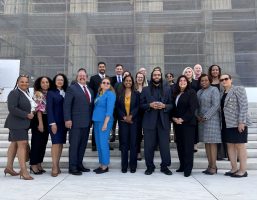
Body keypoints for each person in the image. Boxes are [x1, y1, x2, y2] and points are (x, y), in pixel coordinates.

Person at [140, 69, 173, 175]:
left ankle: (165, 166)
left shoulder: (168, 89)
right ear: (151, 76)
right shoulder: (145, 89)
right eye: (155, 75)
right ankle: (149, 167)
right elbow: (141, 105)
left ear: (161, 76)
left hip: (163, 122)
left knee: (164, 146)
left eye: (159, 75)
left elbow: (172, 105)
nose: (157, 76)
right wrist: (149, 105)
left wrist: (164, 106)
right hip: (149, 122)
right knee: (148, 146)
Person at [4, 75, 35, 180]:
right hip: (16, 123)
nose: (24, 84)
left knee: (14, 144)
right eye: (22, 82)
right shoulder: (14, 93)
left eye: (26, 82)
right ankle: (24, 170)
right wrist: (26, 114)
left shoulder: (26, 93)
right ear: (17, 82)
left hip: (22, 123)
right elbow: (12, 108)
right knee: (22, 144)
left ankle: (9, 167)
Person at [64, 68, 94, 175]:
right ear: (77, 77)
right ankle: (72, 167)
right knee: (74, 145)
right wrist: (67, 119)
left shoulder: (90, 90)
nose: (82, 77)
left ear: (87, 77)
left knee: (82, 145)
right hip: (75, 123)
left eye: (84, 75)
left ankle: (79, 164)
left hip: (86, 123)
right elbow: (67, 105)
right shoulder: (72, 88)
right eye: (80, 75)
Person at [220, 74, 251, 178]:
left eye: (226, 79)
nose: (224, 81)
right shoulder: (222, 93)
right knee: (230, 145)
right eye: (222, 80)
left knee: (240, 146)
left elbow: (244, 105)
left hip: (237, 123)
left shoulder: (238, 89)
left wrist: (241, 121)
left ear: (230, 80)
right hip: (226, 123)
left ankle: (243, 170)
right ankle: (234, 168)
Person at [172, 75, 198, 177]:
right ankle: (182, 165)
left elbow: (192, 109)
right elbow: (173, 108)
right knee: (180, 146)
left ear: (187, 82)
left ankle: (188, 169)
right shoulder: (175, 94)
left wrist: (182, 119)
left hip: (188, 124)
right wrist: (173, 118)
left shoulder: (191, 92)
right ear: (178, 82)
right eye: (180, 80)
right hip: (177, 124)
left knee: (188, 147)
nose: (182, 82)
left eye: (184, 80)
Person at [196, 74, 221, 175]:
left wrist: (206, 116)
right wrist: (197, 115)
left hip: (212, 121)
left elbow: (216, 105)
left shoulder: (214, 90)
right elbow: (196, 105)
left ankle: (214, 167)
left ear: (209, 81)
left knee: (212, 143)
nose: (204, 82)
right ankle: (209, 165)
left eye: (206, 80)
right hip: (201, 121)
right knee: (207, 143)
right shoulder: (199, 92)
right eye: (202, 81)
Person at [92, 77, 116, 174]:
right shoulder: (99, 94)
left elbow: (109, 110)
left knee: (103, 143)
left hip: (104, 121)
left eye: (108, 83)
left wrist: (106, 123)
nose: (106, 84)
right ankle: (101, 164)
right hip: (97, 121)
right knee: (98, 143)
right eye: (104, 82)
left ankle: (105, 166)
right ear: (101, 84)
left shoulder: (110, 94)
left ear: (110, 85)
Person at [46, 73, 68, 177]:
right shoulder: (51, 93)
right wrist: (52, 123)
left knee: (60, 144)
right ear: (55, 81)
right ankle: (54, 166)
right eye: (58, 79)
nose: (60, 81)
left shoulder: (66, 92)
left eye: (62, 80)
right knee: (55, 143)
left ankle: (57, 165)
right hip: (54, 122)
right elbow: (49, 109)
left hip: (63, 123)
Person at [116, 75, 139, 173]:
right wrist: (124, 117)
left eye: (130, 80)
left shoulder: (137, 94)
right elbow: (117, 107)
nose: (128, 82)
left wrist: (131, 116)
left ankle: (133, 166)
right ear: (124, 82)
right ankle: (124, 166)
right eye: (126, 80)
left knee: (133, 144)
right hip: (123, 122)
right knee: (124, 144)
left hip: (133, 122)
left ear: (132, 82)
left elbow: (138, 106)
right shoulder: (119, 93)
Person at [30, 76, 52, 175]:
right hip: (39, 119)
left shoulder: (48, 93)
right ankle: (33, 165)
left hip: (47, 118)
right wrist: (41, 123)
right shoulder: (38, 93)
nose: (45, 84)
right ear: (40, 84)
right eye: (43, 82)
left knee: (43, 143)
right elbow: (39, 109)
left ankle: (39, 163)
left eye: (47, 82)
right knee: (36, 143)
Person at [208, 64, 228, 160]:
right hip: (212, 111)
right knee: (215, 133)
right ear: (210, 71)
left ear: (219, 71)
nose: (215, 71)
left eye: (216, 70)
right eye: (213, 70)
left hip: (223, 109)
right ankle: (218, 154)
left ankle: (227, 153)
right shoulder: (209, 81)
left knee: (223, 131)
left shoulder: (223, 81)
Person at [89, 61, 108, 151]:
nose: (102, 68)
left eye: (103, 67)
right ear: (98, 68)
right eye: (100, 67)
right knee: (96, 125)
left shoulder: (108, 78)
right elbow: (92, 92)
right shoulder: (93, 78)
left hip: (106, 106)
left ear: (105, 68)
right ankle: (94, 144)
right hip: (97, 105)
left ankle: (104, 144)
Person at [182, 66, 200, 152]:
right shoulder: (181, 82)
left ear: (192, 73)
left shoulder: (197, 82)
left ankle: (195, 144)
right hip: (184, 107)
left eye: (189, 72)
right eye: (186, 72)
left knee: (194, 126)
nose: (188, 73)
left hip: (194, 107)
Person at [134, 72, 147, 161]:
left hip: (146, 114)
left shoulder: (147, 89)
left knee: (147, 134)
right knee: (137, 134)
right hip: (136, 115)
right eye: (138, 77)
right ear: (136, 78)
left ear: (143, 79)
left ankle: (148, 151)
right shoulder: (133, 88)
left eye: (141, 77)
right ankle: (138, 152)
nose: (140, 79)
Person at [110, 64, 124, 143]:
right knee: (113, 121)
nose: (119, 70)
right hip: (114, 104)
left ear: (122, 70)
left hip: (123, 104)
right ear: (115, 70)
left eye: (120, 69)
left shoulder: (125, 79)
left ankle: (121, 135)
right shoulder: (111, 79)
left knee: (122, 121)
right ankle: (113, 135)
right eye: (117, 69)